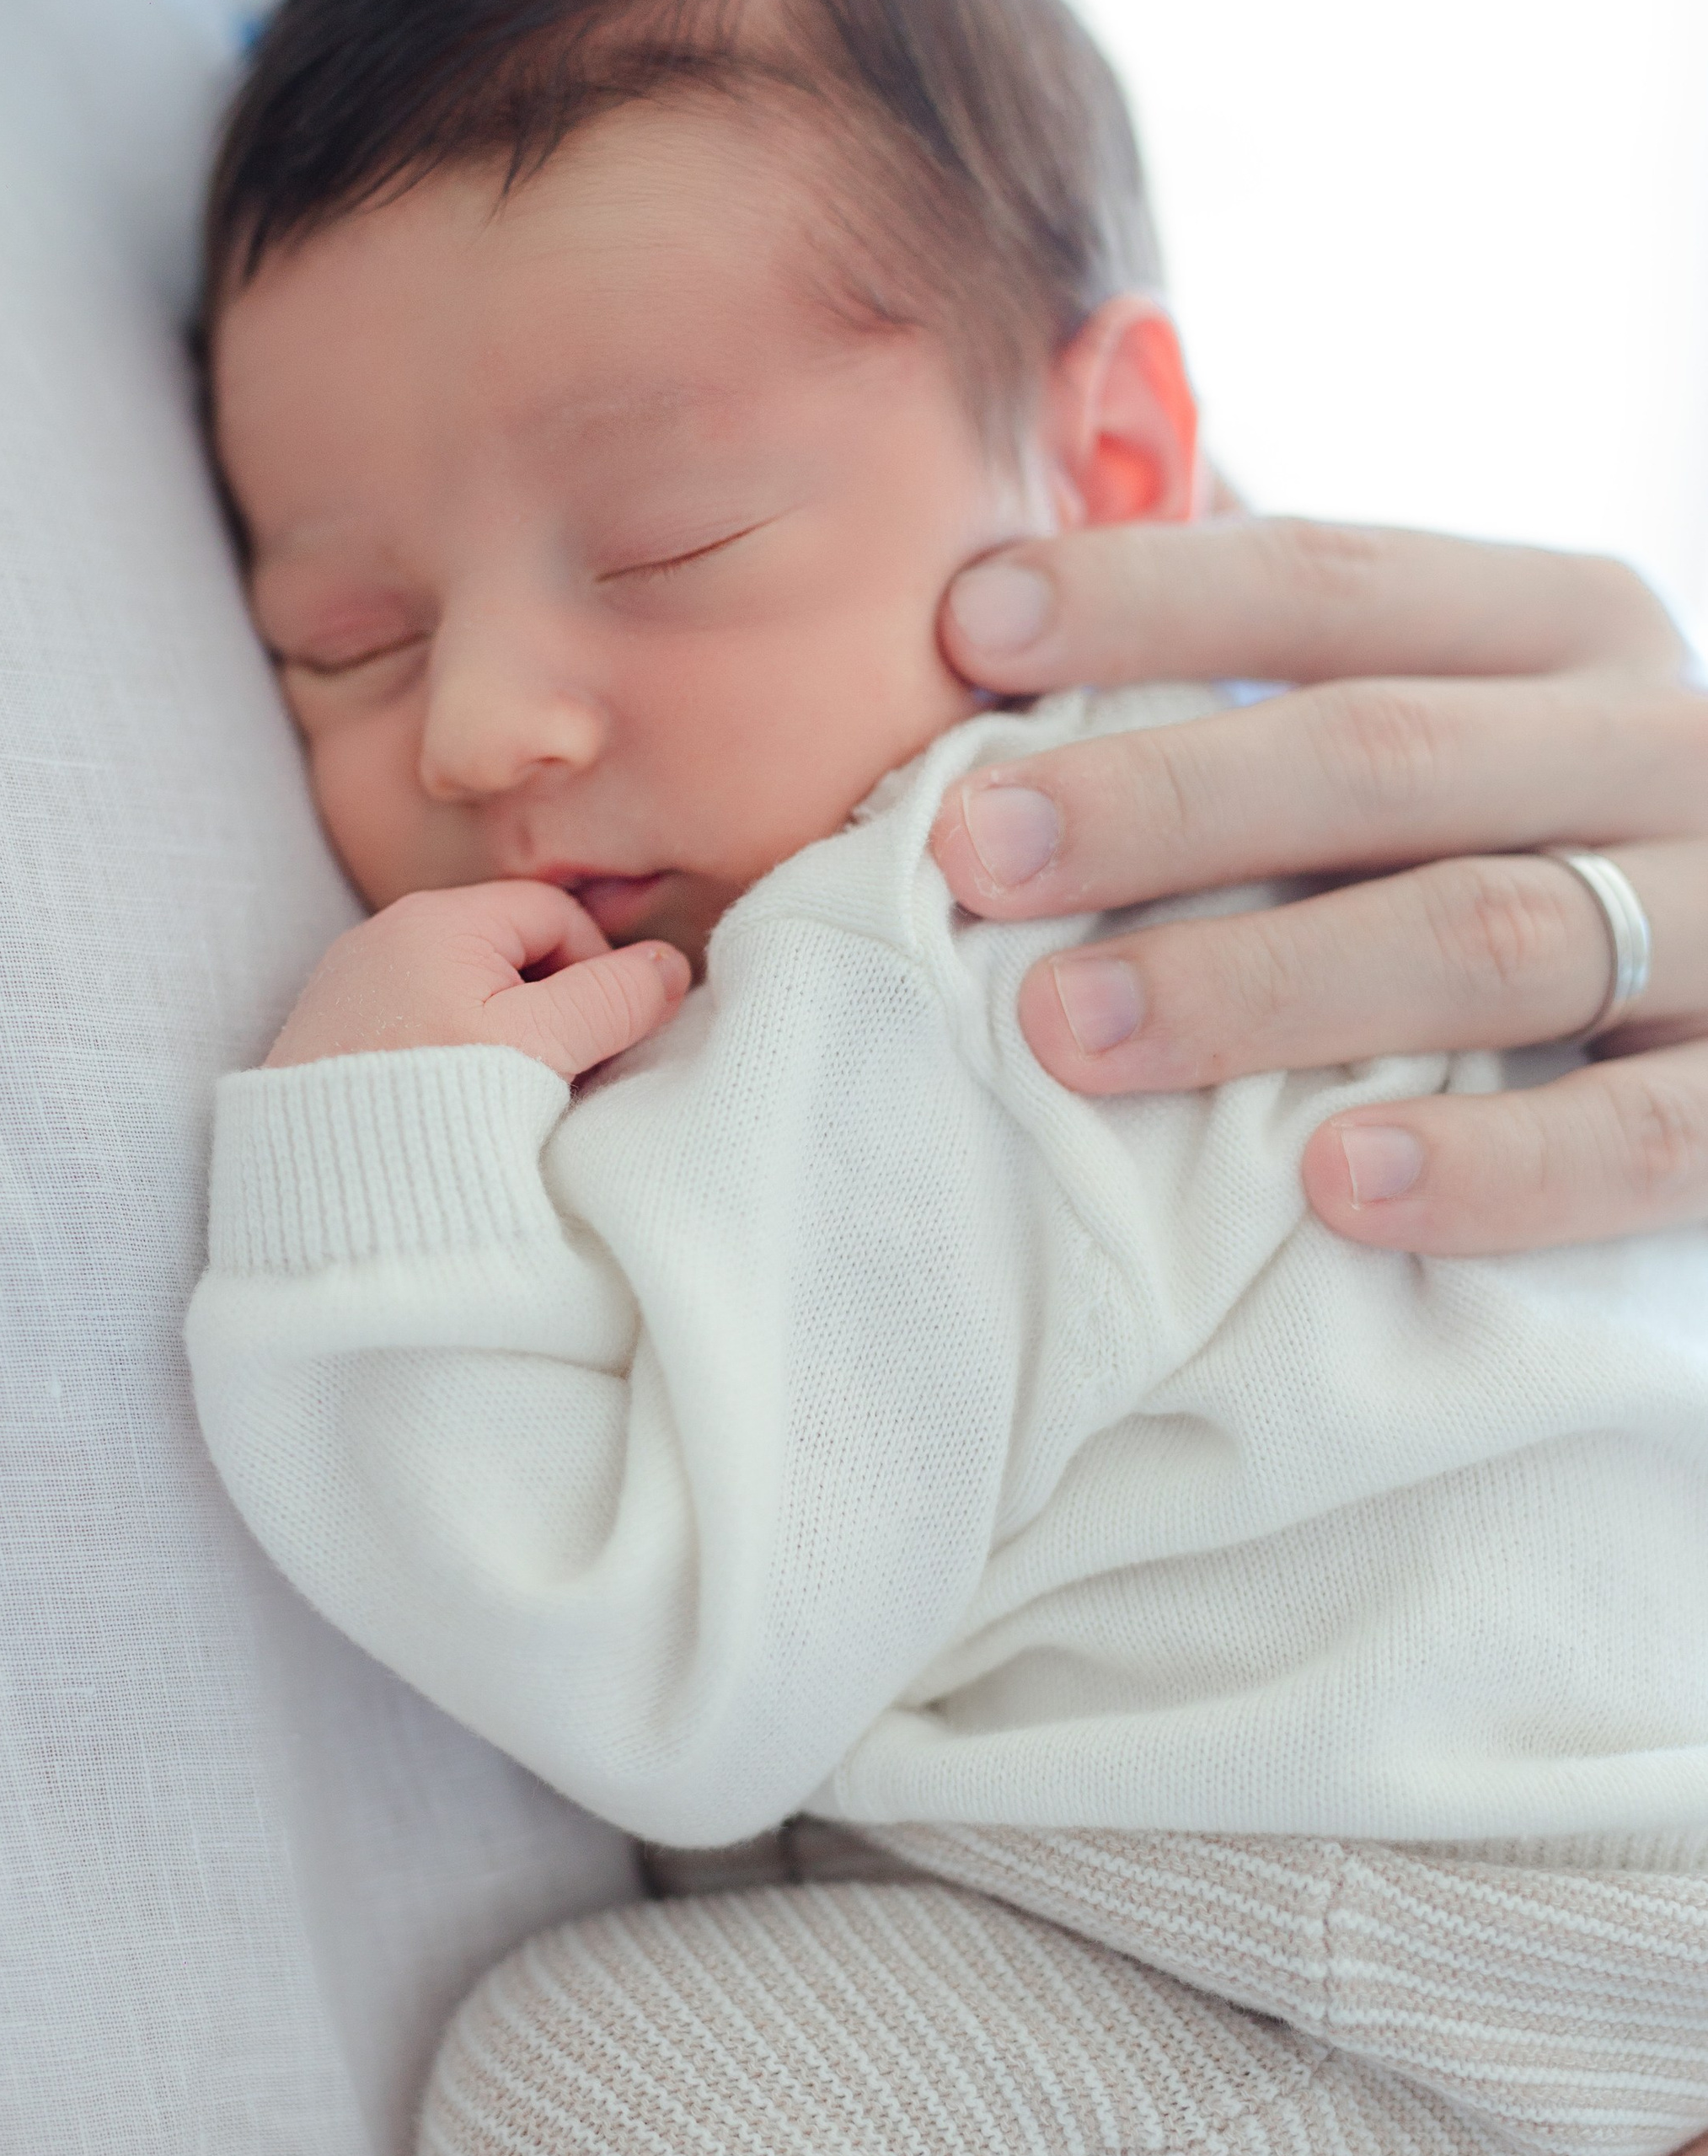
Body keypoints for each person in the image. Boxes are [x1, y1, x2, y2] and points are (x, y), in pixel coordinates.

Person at [185, 0, 1708, 2147]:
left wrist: (372, 1164)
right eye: (347, 639)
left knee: (582, 2090)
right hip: (1561, 1867)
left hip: (1459, 1959)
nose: (479, 729)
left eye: (662, 546)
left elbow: (660, 1665)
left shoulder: (929, 928)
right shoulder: (1302, 794)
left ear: (1104, 470)